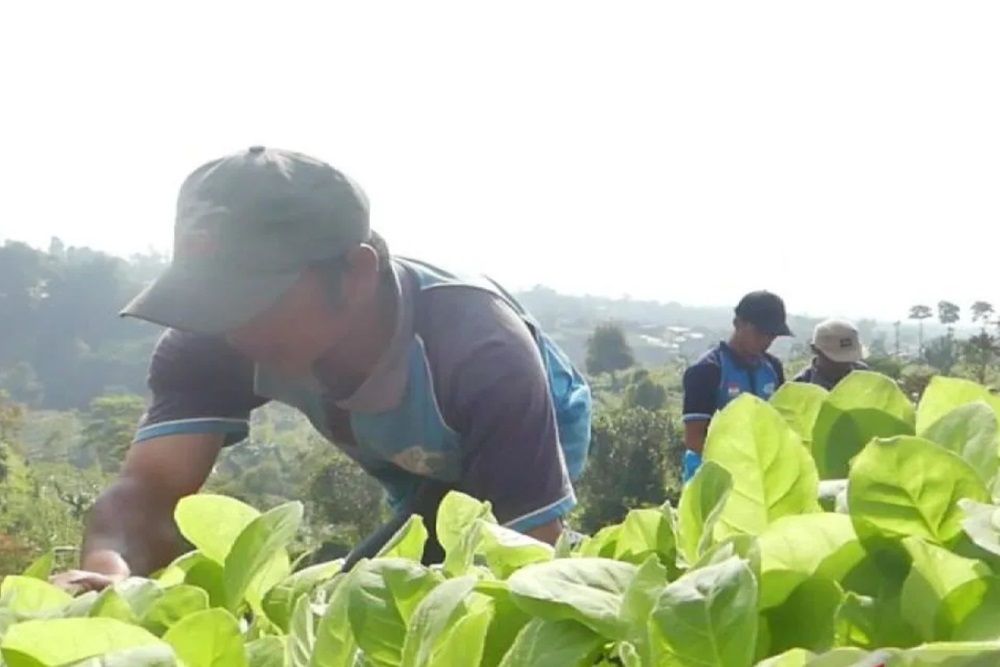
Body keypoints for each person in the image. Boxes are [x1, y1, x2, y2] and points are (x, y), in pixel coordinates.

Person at [50, 146, 592, 594]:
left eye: (254, 297)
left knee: (458, 576)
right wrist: (109, 576)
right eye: (212, 299)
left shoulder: (482, 354)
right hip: (398, 438)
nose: (232, 328)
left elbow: (528, 552)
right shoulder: (213, 334)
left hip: (524, 411)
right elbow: (149, 488)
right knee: (380, 580)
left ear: (356, 273)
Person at [680, 291, 791, 482]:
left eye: (772, 335)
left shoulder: (773, 368)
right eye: (760, 332)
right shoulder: (707, 370)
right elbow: (694, 438)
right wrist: (739, 466)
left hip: (760, 474)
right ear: (738, 323)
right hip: (712, 477)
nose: (766, 340)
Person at [793, 318, 869, 390]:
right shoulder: (801, 385)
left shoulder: (864, 375)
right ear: (815, 349)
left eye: (849, 358)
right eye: (837, 359)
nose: (844, 364)